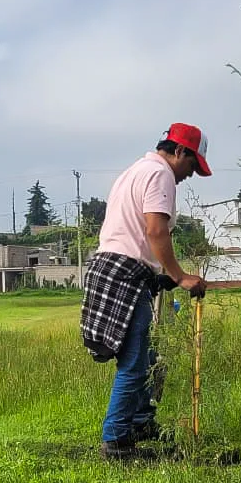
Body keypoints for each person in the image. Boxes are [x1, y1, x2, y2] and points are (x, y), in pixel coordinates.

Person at [81, 124, 210, 460]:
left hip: (118, 268)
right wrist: (180, 276)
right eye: (192, 166)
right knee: (135, 362)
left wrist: (160, 276)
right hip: (123, 273)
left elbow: (135, 235)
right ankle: (116, 441)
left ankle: (140, 421)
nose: (190, 175)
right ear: (179, 151)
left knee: (148, 358)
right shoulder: (160, 173)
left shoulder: (136, 170)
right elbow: (155, 230)